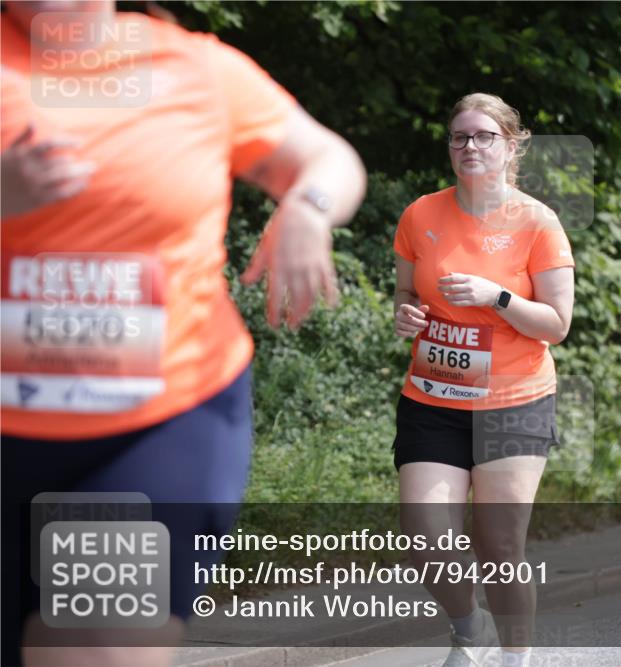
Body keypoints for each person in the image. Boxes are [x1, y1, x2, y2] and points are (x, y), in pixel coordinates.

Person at [0, 2, 366, 666]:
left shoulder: (195, 68)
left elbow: (328, 157)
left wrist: (307, 208)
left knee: (100, 646)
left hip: (153, 422)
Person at [392, 93, 575, 667]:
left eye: (484, 136)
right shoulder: (421, 214)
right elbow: (403, 292)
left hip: (515, 401)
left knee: (499, 547)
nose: (469, 146)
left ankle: (515, 658)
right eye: (459, 137)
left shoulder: (538, 222)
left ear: (512, 144)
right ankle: (469, 630)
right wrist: (403, 313)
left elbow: (557, 323)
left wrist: (496, 297)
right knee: (425, 536)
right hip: (434, 395)